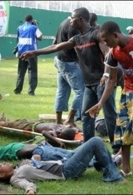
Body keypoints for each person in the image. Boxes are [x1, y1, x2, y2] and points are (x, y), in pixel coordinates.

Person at [19, 7, 118, 153]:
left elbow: (108, 54)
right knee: (86, 116)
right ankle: (88, 146)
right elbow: (57, 46)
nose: (70, 20)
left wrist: (106, 74)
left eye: (72, 18)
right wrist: (35, 52)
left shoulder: (96, 35)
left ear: (81, 20)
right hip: (89, 85)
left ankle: (117, 149)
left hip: (102, 83)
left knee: (109, 115)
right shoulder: (76, 39)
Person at [86, 21, 133, 177]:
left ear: (115, 35)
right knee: (123, 129)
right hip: (128, 91)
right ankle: (126, 169)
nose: (105, 43)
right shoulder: (112, 53)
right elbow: (112, 80)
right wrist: (100, 103)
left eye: (106, 39)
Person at [0, 137, 124, 195]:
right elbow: (27, 185)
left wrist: (35, 158)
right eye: (1, 165)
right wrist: (30, 191)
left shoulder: (19, 167)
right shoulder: (15, 178)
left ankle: (104, 164)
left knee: (90, 145)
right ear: (2, 175)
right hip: (66, 171)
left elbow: (35, 163)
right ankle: (112, 175)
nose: (4, 163)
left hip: (63, 162)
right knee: (95, 141)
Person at [0, 113, 80, 147]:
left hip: (33, 124)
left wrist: (77, 130)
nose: (58, 135)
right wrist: (58, 140)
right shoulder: (55, 130)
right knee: (12, 123)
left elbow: (45, 133)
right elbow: (45, 133)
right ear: (61, 131)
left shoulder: (59, 128)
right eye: (60, 134)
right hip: (31, 124)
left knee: (12, 123)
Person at [52, 18, 84, 128]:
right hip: (70, 62)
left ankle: (58, 121)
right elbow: (77, 48)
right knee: (81, 91)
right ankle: (70, 120)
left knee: (62, 90)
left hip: (59, 59)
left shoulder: (63, 23)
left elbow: (54, 42)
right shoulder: (74, 27)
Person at [14, 15, 43, 96]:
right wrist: (35, 26)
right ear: (32, 20)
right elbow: (40, 37)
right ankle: (31, 91)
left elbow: (18, 40)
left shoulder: (19, 27)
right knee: (32, 71)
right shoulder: (34, 28)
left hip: (21, 52)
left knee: (21, 71)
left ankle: (17, 90)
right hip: (31, 52)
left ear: (24, 20)